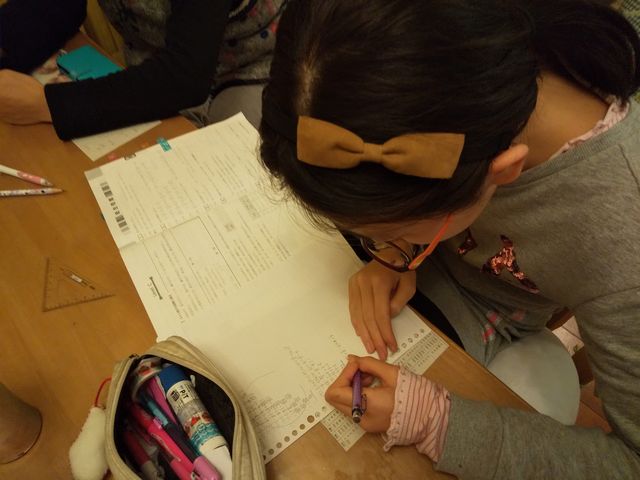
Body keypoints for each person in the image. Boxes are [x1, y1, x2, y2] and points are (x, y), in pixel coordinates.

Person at [258, 0, 640, 478]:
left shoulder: (623, 235)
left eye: (390, 229)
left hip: (489, 328)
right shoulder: (465, 53)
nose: (381, 243)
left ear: (504, 172)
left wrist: (434, 420)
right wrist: (399, 249)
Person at [0, 0, 285, 139]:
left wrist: (48, 106)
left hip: (258, 64)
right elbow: (59, 7)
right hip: (161, 62)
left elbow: (185, 77)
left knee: (244, 176)